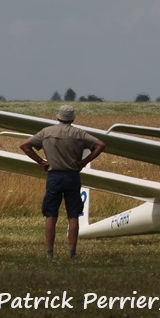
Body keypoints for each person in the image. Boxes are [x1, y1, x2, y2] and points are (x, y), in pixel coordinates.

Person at [20, 104, 106, 258]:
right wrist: (85, 161)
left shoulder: (47, 132)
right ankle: (72, 253)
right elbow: (100, 144)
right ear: (72, 118)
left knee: (51, 215)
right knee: (73, 215)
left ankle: (49, 253)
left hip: (54, 177)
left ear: (58, 117)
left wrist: (41, 161)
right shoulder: (79, 133)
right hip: (72, 176)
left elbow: (25, 146)